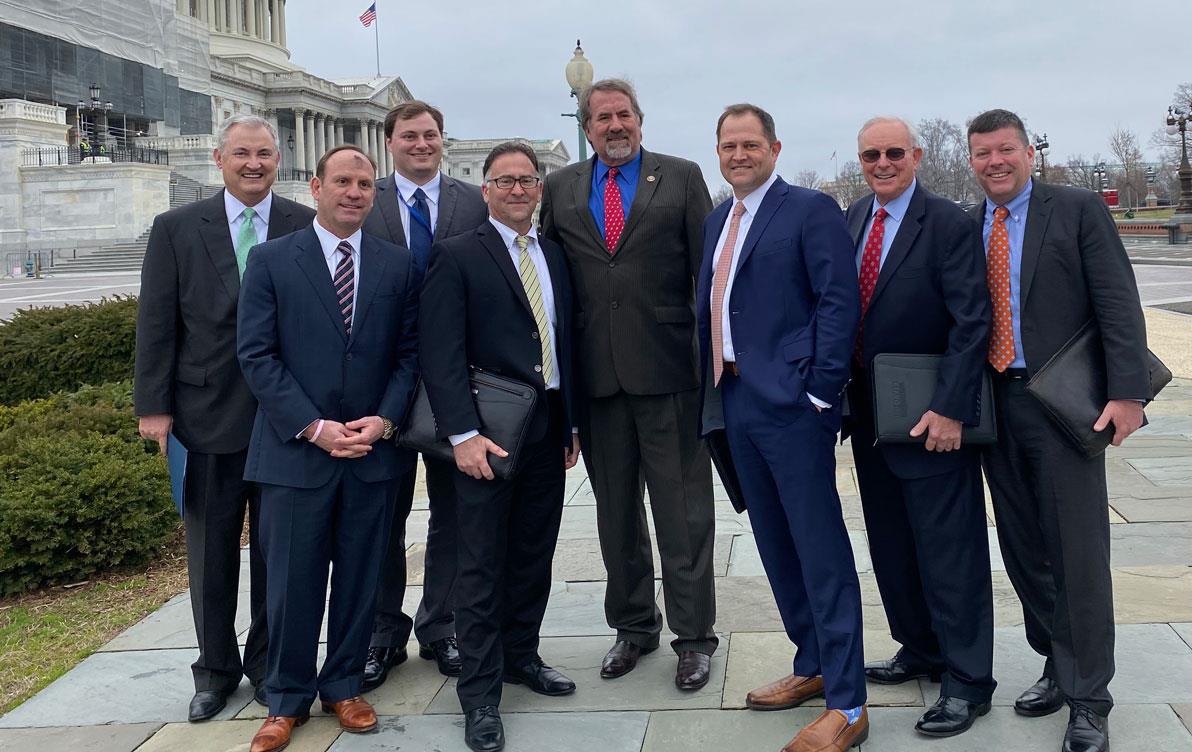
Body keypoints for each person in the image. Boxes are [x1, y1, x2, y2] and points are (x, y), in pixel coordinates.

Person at [966, 109, 1151, 752]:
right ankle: (1054, 662)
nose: (996, 162)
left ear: (1028, 153)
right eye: (983, 154)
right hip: (996, 407)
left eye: (1006, 150)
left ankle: (1089, 698)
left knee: (1076, 552)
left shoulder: (1073, 210)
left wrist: (1126, 394)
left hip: (1063, 405)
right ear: (972, 162)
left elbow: (1118, 303)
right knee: (1024, 550)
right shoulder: (972, 225)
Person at [236, 145, 420, 752]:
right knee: (291, 581)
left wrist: (385, 422)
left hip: (372, 454)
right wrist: (313, 427)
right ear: (316, 187)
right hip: (296, 454)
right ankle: (284, 700)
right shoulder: (270, 261)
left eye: (365, 184)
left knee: (361, 578)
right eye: (342, 181)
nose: (354, 193)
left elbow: (409, 356)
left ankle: (343, 684)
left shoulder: (398, 265)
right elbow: (256, 356)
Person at [134, 114, 315, 722]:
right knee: (211, 554)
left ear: (278, 157)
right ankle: (214, 671)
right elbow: (156, 323)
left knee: (277, 552)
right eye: (242, 154)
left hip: (285, 418)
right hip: (204, 416)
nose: (254, 164)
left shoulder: (303, 223)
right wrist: (154, 409)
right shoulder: (177, 228)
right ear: (219, 160)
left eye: (264, 153)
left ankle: (268, 665)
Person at [539, 78, 718, 689]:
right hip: (597, 382)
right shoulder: (560, 187)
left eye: (624, 115)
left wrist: (712, 366)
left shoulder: (681, 176)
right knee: (615, 516)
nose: (614, 126)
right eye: (602, 118)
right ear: (585, 127)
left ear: (641, 120)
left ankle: (694, 637)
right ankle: (634, 626)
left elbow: (707, 273)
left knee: (684, 513)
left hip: (671, 375)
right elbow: (553, 281)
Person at [698, 104, 866, 752]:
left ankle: (848, 704)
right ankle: (813, 664)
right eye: (728, 145)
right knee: (774, 543)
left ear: (773, 147)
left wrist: (822, 394)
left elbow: (837, 301)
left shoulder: (809, 209)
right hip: (735, 399)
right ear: (718, 152)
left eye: (750, 143)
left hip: (794, 406)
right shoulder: (719, 219)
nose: (739, 154)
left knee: (820, 550)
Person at [420, 141, 580, 752]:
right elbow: (439, 352)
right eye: (505, 181)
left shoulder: (554, 256)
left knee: (532, 555)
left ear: (539, 189)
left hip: (545, 434)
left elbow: (563, 345)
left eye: (527, 180)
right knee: (481, 566)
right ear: (484, 190)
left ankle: (522, 657)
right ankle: (481, 696)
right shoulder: (457, 255)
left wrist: (570, 425)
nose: (518, 189)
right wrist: (462, 436)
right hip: (486, 436)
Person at [842, 116, 995, 737]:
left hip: (933, 416)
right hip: (871, 418)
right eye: (872, 154)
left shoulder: (950, 223)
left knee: (949, 551)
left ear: (917, 156)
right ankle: (920, 647)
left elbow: (971, 322)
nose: (883, 162)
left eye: (894, 152)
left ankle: (967, 680)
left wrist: (954, 407)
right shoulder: (853, 218)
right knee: (892, 544)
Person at [360, 100, 488, 687]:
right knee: (383, 513)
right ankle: (382, 632)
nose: (421, 144)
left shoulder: (470, 201)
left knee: (455, 512)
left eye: (430, 135)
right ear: (389, 143)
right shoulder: (367, 200)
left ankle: (443, 625)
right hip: (379, 382)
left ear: (443, 140)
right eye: (409, 136)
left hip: (454, 382)